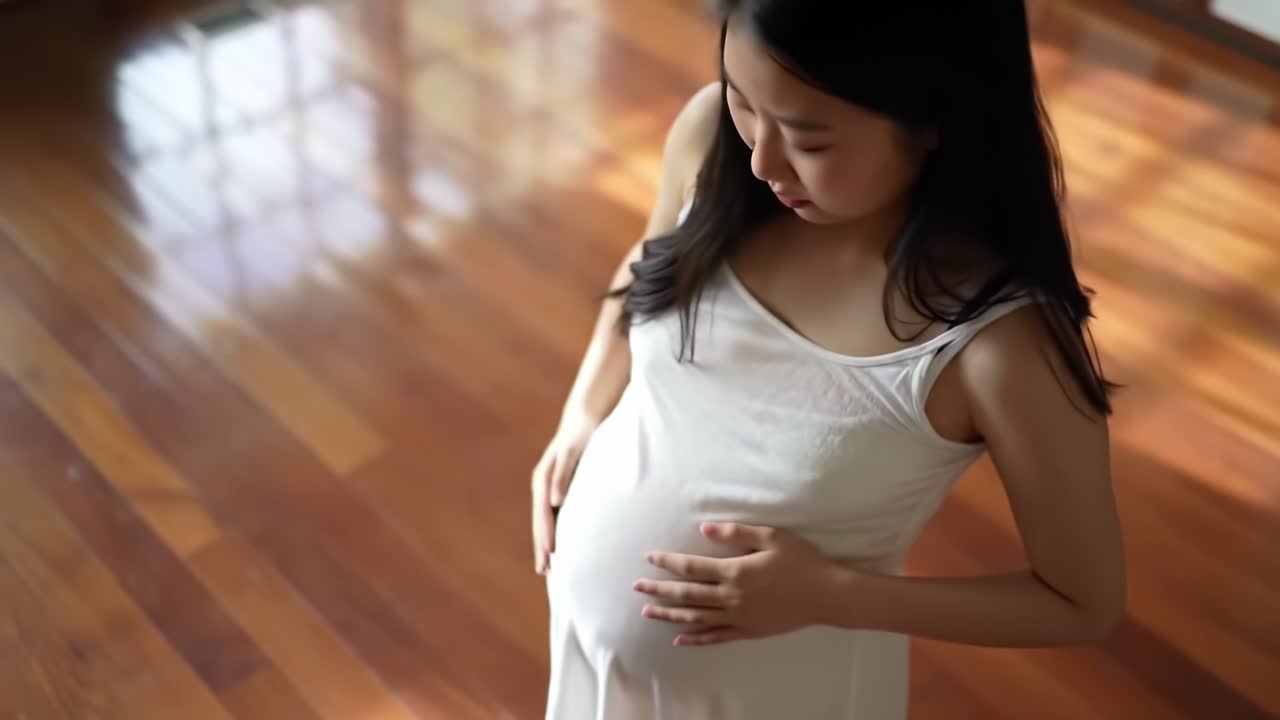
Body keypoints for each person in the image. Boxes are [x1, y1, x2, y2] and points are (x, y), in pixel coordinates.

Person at [530, 1, 1127, 717]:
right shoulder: (712, 141)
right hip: (595, 670)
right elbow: (652, 265)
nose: (760, 159)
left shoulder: (998, 343)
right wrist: (582, 415)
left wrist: (832, 596)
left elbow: (1080, 602)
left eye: (809, 142)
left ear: (936, 119)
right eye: (743, 102)